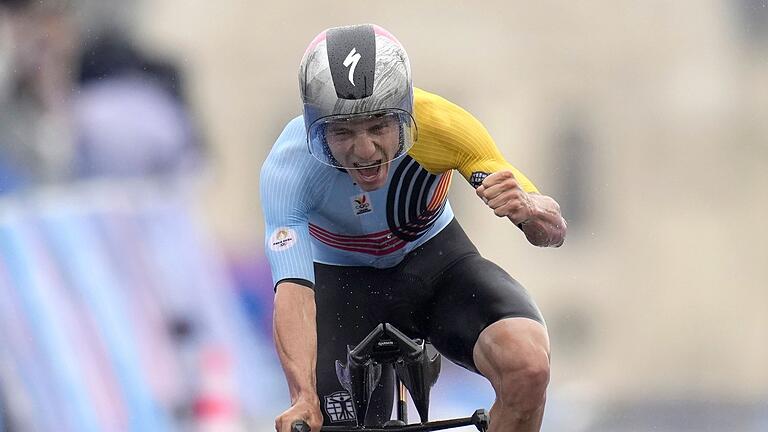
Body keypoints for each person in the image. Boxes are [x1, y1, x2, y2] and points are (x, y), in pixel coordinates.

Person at [261, 24, 566, 432]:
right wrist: (303, 397)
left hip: (436, 265)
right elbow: (293, 289)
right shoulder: (289, 167)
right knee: (323, 420)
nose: (365, 150)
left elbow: (552, 232)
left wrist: (530, 210)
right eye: (343, 132)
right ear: (316, 127)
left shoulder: (441, 124)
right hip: (342, 284)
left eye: (378, 127)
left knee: (527, 367)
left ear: (405, 114)